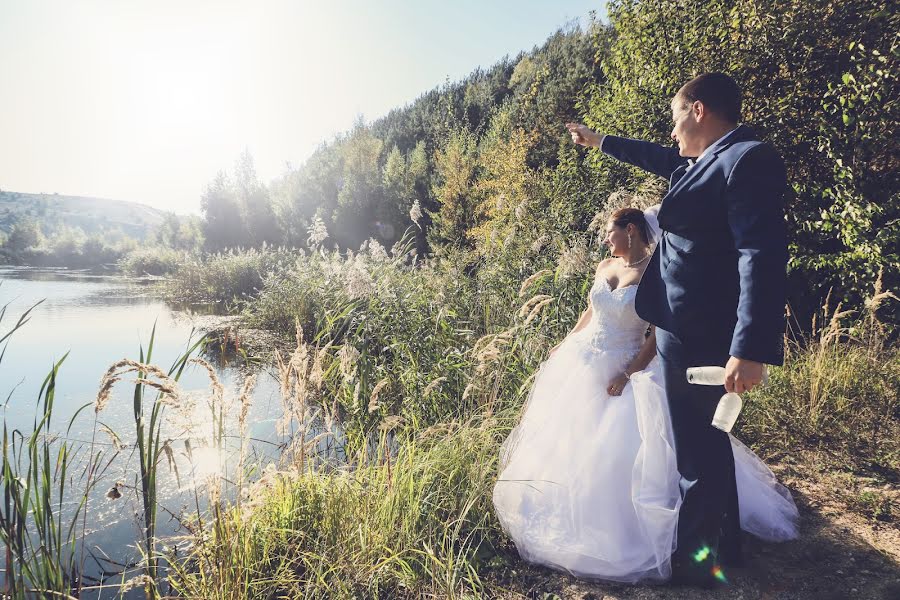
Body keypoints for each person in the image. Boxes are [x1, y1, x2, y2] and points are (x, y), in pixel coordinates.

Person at [562, 72, 790, 586]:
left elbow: (761, 255)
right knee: (708, 443)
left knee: (696, 450)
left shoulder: (746, 160)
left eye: (675, 118)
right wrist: (601, 142)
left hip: (702, 332)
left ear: (699, 111)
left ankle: (698, 566)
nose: (671, 133)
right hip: (676, 326)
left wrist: (749, 347)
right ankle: (724, 548)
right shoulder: (706, 160)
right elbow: (661, 159)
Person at [492, 207, 798, 584]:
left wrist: (629, 372)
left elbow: (657, 334)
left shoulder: (653, 273)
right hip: (584, 358)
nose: (606, 238)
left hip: (626, 362)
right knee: (567, 437)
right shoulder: (605, 265)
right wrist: (565, 342)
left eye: (611, 231)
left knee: (622, 446)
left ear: (631, 230)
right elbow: (589, 311)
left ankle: (630, 525)